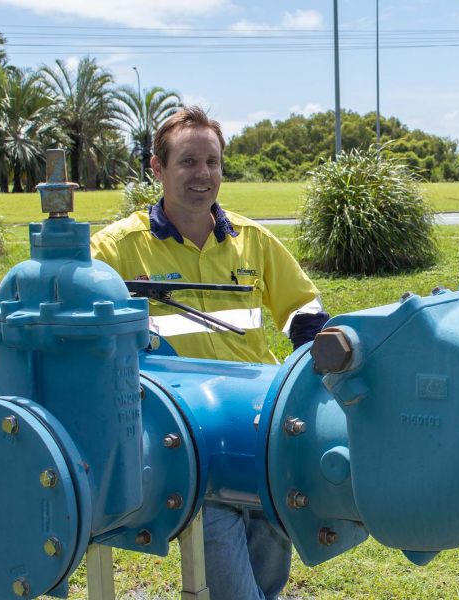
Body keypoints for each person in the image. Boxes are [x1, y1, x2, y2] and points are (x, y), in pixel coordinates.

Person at [91, 106, 329, 600]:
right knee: (231, 583)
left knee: (269, 569)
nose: (203, 175)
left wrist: (317, 372)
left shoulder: (253, 241)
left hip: (262, 429)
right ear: (157, 169)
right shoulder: (116, 250)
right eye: (188, 162)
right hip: (190, 439)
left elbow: (304, 311)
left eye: (213, 162)